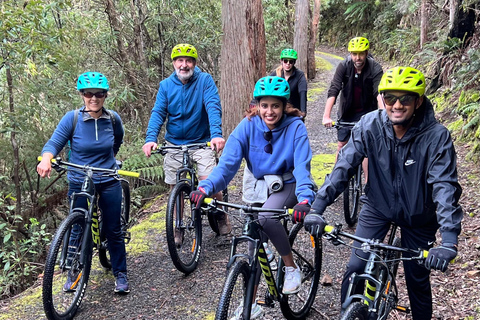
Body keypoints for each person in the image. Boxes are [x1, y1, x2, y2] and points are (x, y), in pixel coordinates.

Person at [304, 67, 463, 319]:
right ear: (382, 99)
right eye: (390, 98)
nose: (397, 105)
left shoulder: (436, 137)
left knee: (416, 278)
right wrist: (317, 208)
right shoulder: (369, 125)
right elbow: (343, 168)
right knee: (355, 268)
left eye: (406, 98)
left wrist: (449, 241)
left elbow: (444, 187)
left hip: (420, 216)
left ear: (419, 101)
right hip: (377, 206)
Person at [190, 76, 316, 319]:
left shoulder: (295, 127)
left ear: (284, 106)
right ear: (257, 105)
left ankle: (291, 268)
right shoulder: (247, 126)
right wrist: (204, 189)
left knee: (267, 217)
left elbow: (302, 167)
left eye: (275, 106)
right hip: (259, 186)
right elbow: (226, 166)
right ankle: (252, 301)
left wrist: (305, 199)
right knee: (253, 242)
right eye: (264, 105)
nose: (269, 112)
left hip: (287, 183)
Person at [37, 72, 130, 294]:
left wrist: (110, 160)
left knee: (113, 228)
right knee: (77, 227)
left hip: (108, 178)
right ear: (82, 95)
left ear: (105, 95)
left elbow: (117, 141)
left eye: (99, 94)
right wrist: (47, 159)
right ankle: (74, 271)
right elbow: (54, 142)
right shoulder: (73, 119)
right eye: (88, 94)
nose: (94, 98)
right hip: (79, 180)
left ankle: (121, 273)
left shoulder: (113, 119)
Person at [142, 43, 230, 243]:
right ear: (173, 63)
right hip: (174, 143)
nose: (184, 65)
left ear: (194, 63)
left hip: (201, 141)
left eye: (188, 61)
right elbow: (158, 113)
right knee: (175, 188)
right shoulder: (166, 86)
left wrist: (216, 134)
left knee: (210, 181)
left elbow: (213, 106)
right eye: (180, 61)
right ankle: (178, 226)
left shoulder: (205, 81)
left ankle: (221, 216)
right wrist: (150, 139)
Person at [322, 37, 383, 182]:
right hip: (348, 111)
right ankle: (336, 181)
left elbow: (379, 94)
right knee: (342, 145)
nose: (358, 57)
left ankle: (368, 187)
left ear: (367, 53)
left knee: (366, 149)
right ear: (350, 54)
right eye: (354, 54)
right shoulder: (344, 66)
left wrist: (383, 116)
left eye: (361, 53)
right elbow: (334, 89)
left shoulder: (375, 68)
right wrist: (326, 115)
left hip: (368, 112)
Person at [270, 48, 307, 116]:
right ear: (281, 61)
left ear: (294, 63)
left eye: (291, 62)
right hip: (278, 111)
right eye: (285, 61)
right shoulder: (275, 74)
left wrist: (303, 112)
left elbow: (303, 92)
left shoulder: (299, 75)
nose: (288, 64)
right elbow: (266, 89)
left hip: (294, 111)